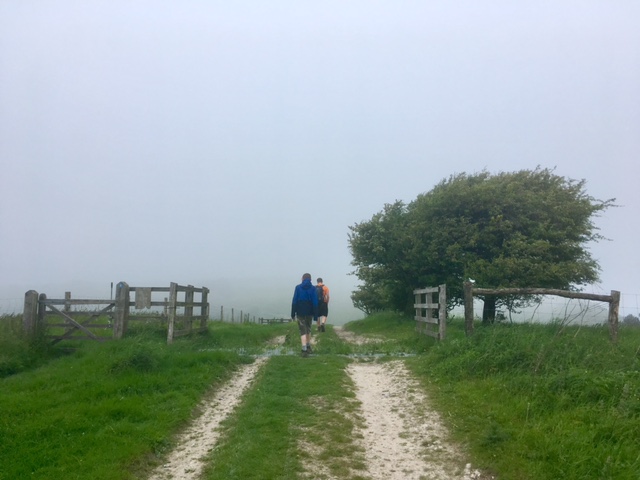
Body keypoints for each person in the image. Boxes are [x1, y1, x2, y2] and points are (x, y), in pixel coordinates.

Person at [291, 273, 318, 357]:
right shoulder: (313, 288)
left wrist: (293, 313)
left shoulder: (298, 287)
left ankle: (304, 349)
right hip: (309, 311)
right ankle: (308, 346)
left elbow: (294, 300)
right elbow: (315, 302)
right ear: (310, 279)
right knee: (308, 329)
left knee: (302, 330)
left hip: (300, 311)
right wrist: (316, 314)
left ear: (302, 278)